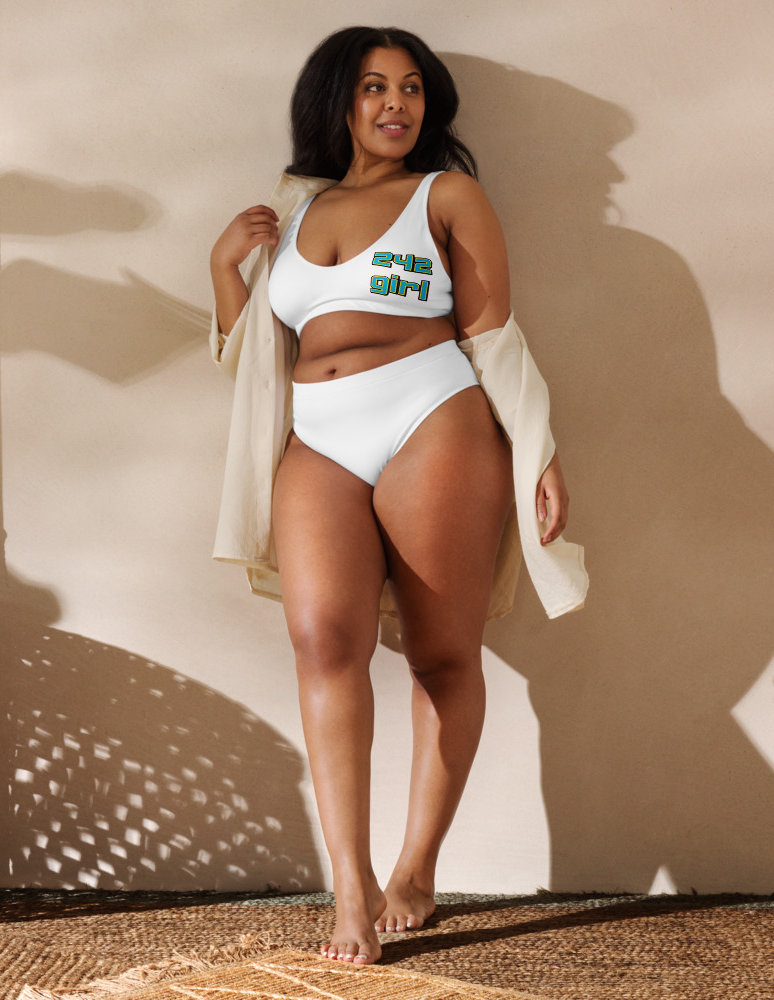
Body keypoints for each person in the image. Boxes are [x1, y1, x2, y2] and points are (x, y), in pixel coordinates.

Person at [209, 26, 587, 966]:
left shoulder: (446, 195)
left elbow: (493, 334)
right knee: (322, 642)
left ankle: (415, 870)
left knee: (441, 654)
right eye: (375, 86)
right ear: (338, 100)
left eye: (412, 88)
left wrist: (539, 450)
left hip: (433, 418)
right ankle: (350, 888)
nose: (396, 105)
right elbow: (255, 360)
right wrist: (224, 271)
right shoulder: (296, 209)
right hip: (318, 437)